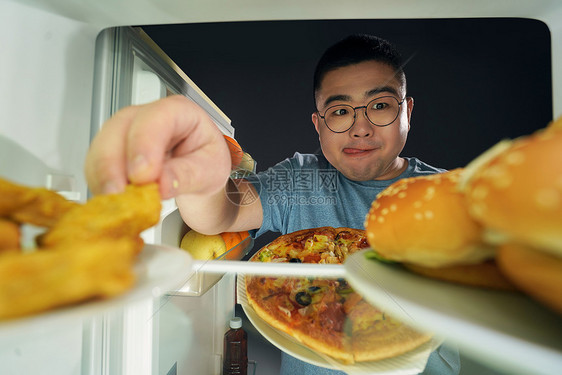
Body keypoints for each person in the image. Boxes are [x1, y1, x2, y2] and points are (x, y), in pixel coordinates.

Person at [85, 34, 460, 375]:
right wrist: (195, 162)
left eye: (379, 105)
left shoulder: (452, 194)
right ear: (319, 124)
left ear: (407, 110)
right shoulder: (300, 178)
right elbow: (221, 213)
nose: (360, 128)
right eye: (341, 111)